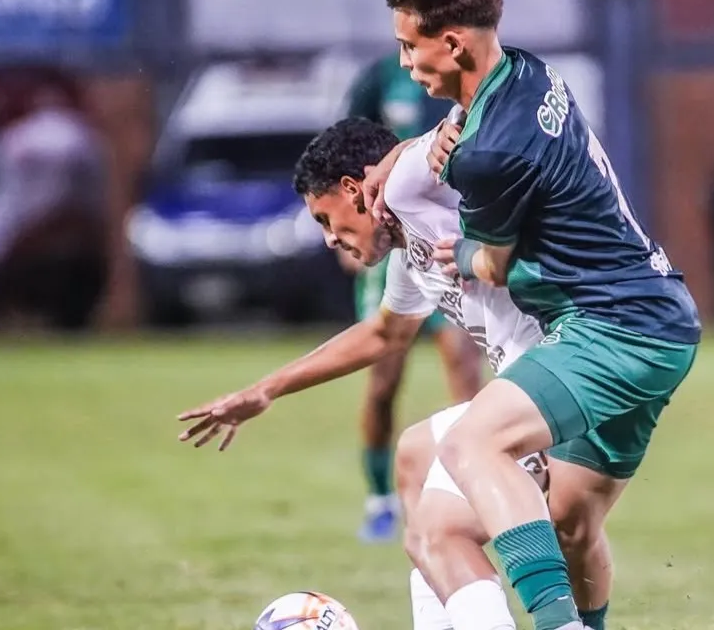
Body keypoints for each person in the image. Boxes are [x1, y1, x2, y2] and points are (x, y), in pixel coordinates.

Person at [364, 0, 701, 630]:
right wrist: (409, 150)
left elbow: (489, 264)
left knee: (473, 445)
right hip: (659, 317)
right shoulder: (529, 70)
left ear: (452, 42)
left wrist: (454, 250)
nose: (404, 63)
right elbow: (479, 128)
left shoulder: (486, 155)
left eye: (409, 45)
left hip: (612, 328)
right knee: (569, 524)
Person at [175, 117, 611, 629]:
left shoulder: (440, 197)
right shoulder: (409, 256)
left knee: (439, 532)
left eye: (325, 218)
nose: (330, 239)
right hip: (544, 385)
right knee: (417, 456)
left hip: (566, 377)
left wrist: (433, 136)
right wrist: (266, 390)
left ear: (353, 188)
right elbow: (385, 334)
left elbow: (488, 119)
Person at [344, 54, 483, 542]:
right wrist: (351, 226)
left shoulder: (470, 76)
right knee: (383, 381)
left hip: (449, 245)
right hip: (393, 251)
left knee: (466, 369)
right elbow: (350, 150)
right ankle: (379, 498)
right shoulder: (380, 76)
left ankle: (478, 481)